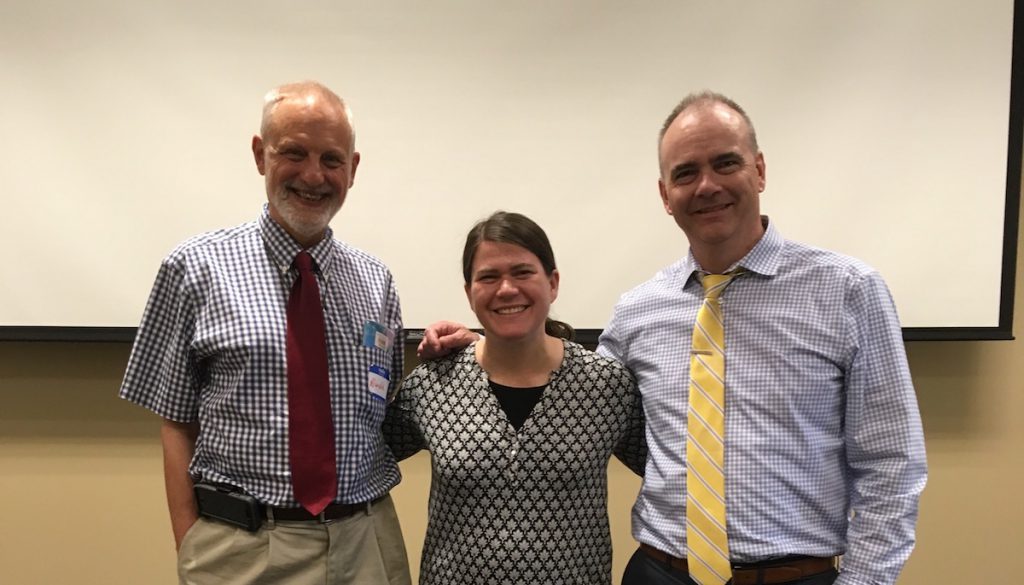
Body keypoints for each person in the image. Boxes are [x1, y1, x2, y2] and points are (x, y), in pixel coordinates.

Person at [419, 92, 927, 585]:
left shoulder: (847, 291)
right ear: (665, 195)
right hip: (661, 571)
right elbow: (574, 388)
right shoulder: (639, 310)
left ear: (760, 170)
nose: (706, 186)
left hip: (794, 575)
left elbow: (890, 464)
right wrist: (485, 342)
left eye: (725, 163)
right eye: (685, 172)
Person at [119, 81, 411, 585]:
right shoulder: (194, 268)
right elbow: (176, 423)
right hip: (244, 551)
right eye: (294, 153)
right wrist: (190, 543)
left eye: (332, 160)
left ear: (353, 169)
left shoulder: (376, 281)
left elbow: (382, 415)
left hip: (366, 543)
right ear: (260, 155)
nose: (314, 175)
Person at [383, 211, 647, 585]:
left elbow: (664, 471)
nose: (506, 289)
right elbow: (365, 459)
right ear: (469, 293)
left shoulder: (606, 385)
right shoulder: (432, 383)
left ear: (553, 283)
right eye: (488, 277)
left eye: (522, 272)